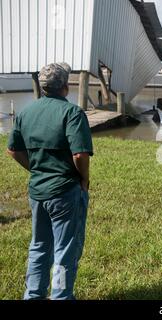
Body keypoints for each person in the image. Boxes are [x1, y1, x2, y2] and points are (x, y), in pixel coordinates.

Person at [7, 63, 93, 300]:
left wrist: (34, 168)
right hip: (65, 190)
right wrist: (84, 179)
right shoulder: (72, 113)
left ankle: (33, 295)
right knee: (64, 250)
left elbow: (13, 150)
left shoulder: (25, 112)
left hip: (37, 191)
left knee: (39, 246)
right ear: (66, 87)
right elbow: (80, 154)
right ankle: (61, 296)